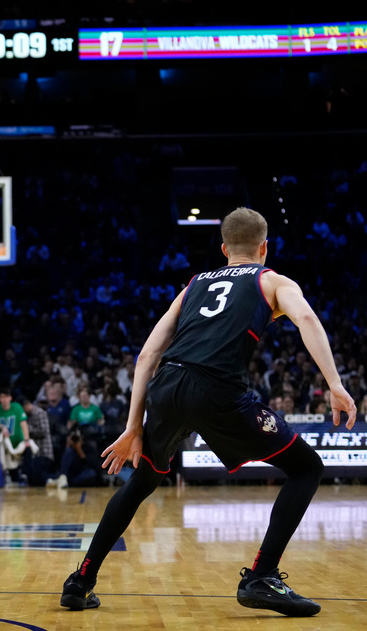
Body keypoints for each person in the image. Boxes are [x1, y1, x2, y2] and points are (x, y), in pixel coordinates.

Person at [61, 207, 357, 618]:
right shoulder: (271, 280)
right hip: (216, 389)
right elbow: (305, 316)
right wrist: (335, 383)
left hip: (166, 386)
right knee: (306, 467)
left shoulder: (194, 284)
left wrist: (133, 427)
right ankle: (261, 576)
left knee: (143, 480)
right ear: (265, 247)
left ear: (223, 249)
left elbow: (147, 355)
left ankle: (80, 581)